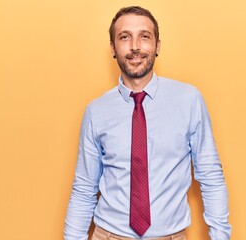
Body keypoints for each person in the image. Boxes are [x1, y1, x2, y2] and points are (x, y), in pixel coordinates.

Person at [64, 6, 231, 240]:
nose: (135, 46)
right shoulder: (96, 112)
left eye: (144, 36)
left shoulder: (189, 100)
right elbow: (84, 189)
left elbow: (210, 175)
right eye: (125, 37)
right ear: (113, 48)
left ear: (157, 46)